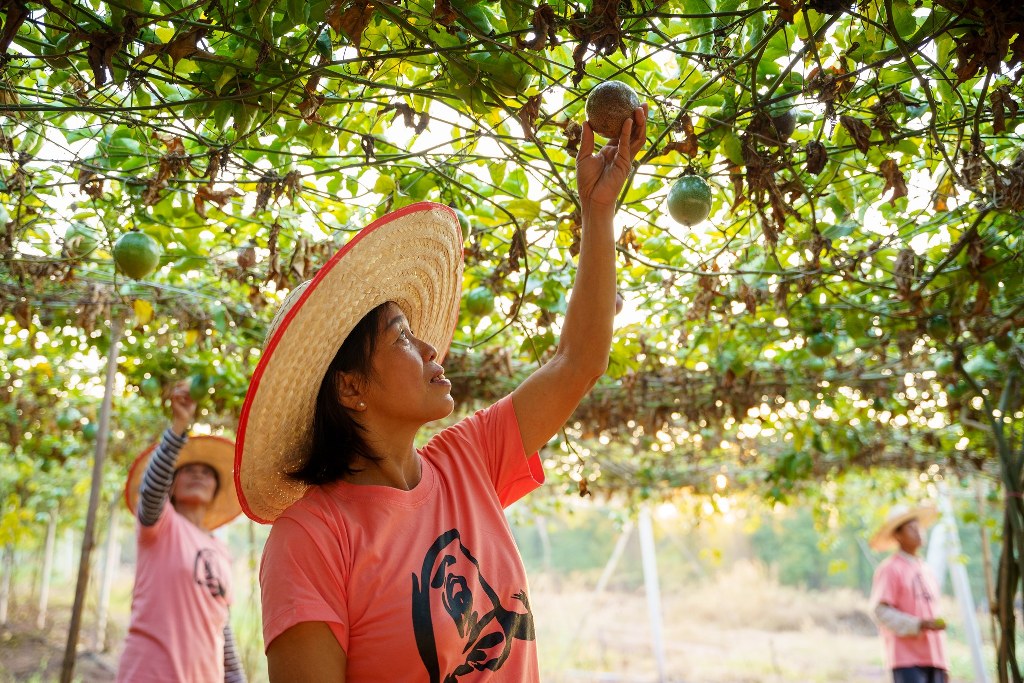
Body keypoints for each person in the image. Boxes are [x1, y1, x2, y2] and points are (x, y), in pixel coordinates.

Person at [233, 104, 648, 682]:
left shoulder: (467, 460)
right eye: (403, 337)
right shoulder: (312, 536)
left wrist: (598, 213)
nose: (432, 351)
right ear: (350, 387)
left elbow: (578, 361)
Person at [119, 380, 247, 683]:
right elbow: (150, 494)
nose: (198, 476)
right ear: (171, 486)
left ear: (216, 488)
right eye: (188, 471)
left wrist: (237, 679)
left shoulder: (221, 551)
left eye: (206, 473)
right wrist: (179, 426)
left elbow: (221, 624)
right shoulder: (160, 525)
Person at [868, 504, 949, 683]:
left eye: (918, 527)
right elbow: (880, 611)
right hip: (906, 658)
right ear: (898, 535)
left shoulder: (927, 571)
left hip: (935, 657)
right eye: (911, 529)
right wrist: (918, 624)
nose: (918, 532)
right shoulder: (890, 569)